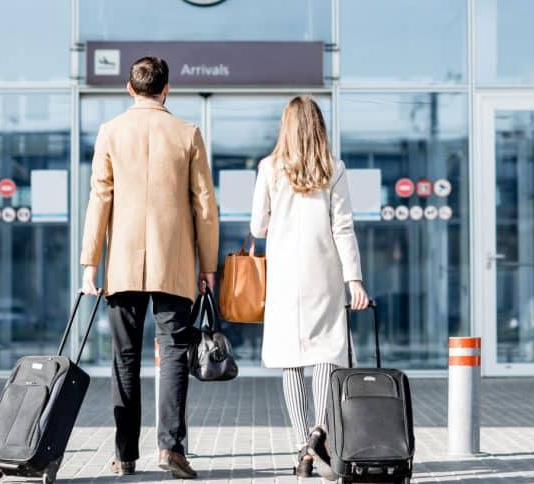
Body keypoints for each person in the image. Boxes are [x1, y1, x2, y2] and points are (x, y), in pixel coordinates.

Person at [80, 56, 218, 479]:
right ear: (167, 89)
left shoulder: (111, 132)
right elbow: (205, 207)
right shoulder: (187, 133)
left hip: (121, 263)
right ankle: (171, 449)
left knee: (124, 358)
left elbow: (99, 199)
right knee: (174, 353)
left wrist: (90, 263)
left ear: (129, 88)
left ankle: (124, 456)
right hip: (173, 261)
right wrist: (208, 265)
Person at [249, 95, 369, 479]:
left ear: (286, 127)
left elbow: (257, 227)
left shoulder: (269, 168)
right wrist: (355, 280)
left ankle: (303, 449)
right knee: (324, 354)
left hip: (285, 277)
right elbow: (343, 227)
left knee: (291, 359)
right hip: (324, 272)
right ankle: (320, 434)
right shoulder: (333, 168)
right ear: (318, 127)